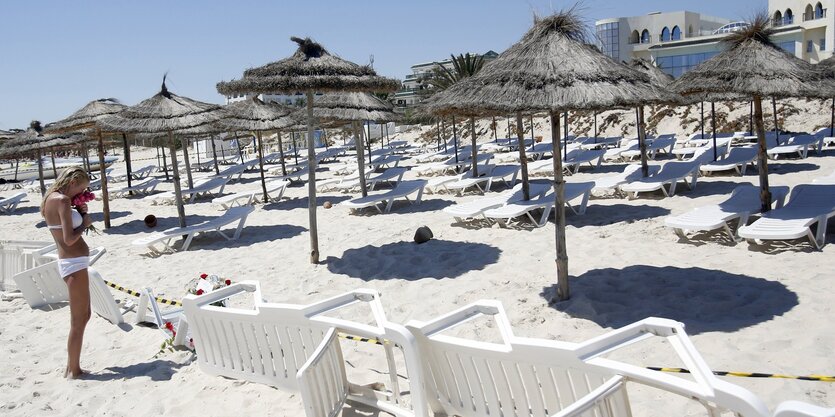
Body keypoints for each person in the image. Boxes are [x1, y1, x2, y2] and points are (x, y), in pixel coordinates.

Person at [40, 166, 94, 379]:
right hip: (73, 262)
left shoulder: (50, 200)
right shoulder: (62, 200)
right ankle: (73, 370)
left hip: (73, 262)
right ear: (72, 183)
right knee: (78, 320)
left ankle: (72, 366)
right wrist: (85, 224)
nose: (79, 193)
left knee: (84, 315)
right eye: (80, 188)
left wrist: (80, 212)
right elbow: (70, 238)